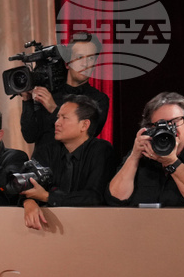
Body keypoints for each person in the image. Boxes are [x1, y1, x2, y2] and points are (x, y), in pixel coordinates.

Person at [107, 92, 184, 207]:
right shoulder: (143, 152)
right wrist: (134, 156)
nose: (169, 129)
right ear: (150, 127)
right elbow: (115, 199)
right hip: (143, 225)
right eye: (161, 124)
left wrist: (171, 162)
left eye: (174, 122)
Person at [22, 96, 116, 230]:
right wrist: (29, 201)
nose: (57, 123)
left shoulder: (101, 150)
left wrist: (48, 197)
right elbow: (28, 185)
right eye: (57, 117)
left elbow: (94, 196)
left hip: (92, 227)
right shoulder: (46, 150)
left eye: (64, 118)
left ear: (84, 125)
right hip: (49, 229)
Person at [19, 33, 110, 145]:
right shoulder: (49, 92)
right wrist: (27, 99)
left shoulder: (99, 100)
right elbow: (29, 136)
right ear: (67, 63)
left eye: (90, 58)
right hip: (41, 161)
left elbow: (85, 135)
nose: (85, 64)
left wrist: (54, 109)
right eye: (79, 57)